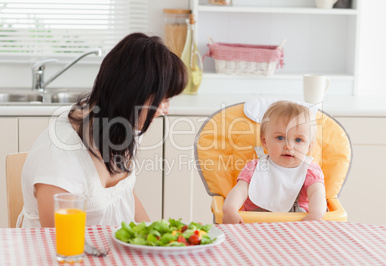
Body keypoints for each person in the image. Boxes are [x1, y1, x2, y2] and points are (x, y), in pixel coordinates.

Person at [19, 33, 188, 228]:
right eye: (163, 99)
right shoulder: (61, 153)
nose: (166, 109)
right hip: (63, 255)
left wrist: (155, 238)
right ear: (134, 94)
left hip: (108, 251)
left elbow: (125, 194)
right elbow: (57, 240)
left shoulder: (125, 127)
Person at [222, 101, 327, 223]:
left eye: (298, 140)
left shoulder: (310, 170)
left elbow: (317, 193)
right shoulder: (255, 167)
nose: (289, 146)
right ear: (265, 141)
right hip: (255, 224)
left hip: (297, 226)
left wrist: (316, 214)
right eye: (280, 138)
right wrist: (230, 209)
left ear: (309, 146)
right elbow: (240, 190)